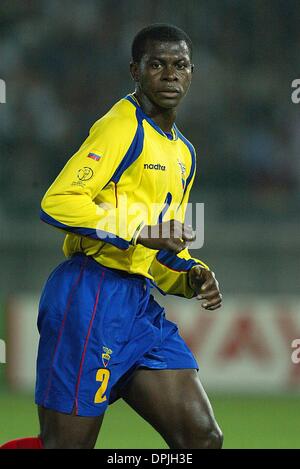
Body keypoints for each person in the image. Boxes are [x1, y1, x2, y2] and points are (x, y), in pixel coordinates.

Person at [1, 23, 223, 450]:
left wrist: (193, 275)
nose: (170, 74)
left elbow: (160, 250)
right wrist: (140, 229)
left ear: (192, 72)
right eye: (156, 64)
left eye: (179, 65)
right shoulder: (122, 127)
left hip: (137, 306)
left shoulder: (184, 153)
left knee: (202, 438)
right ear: (135, 72)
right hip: (89, 293)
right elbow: (58, 201)